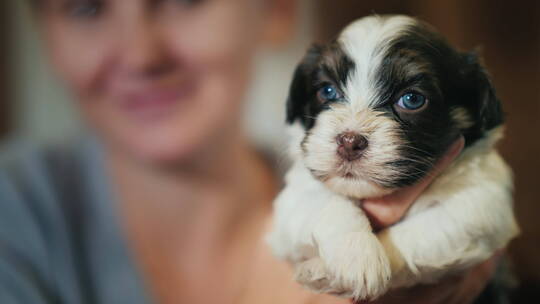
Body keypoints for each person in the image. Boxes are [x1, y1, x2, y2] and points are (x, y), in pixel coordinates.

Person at [0, 0, 504, 303]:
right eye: (85, 6)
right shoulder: (15, 212)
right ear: (45, 34)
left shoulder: (429, 200)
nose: (140, 55)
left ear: (277, 7)